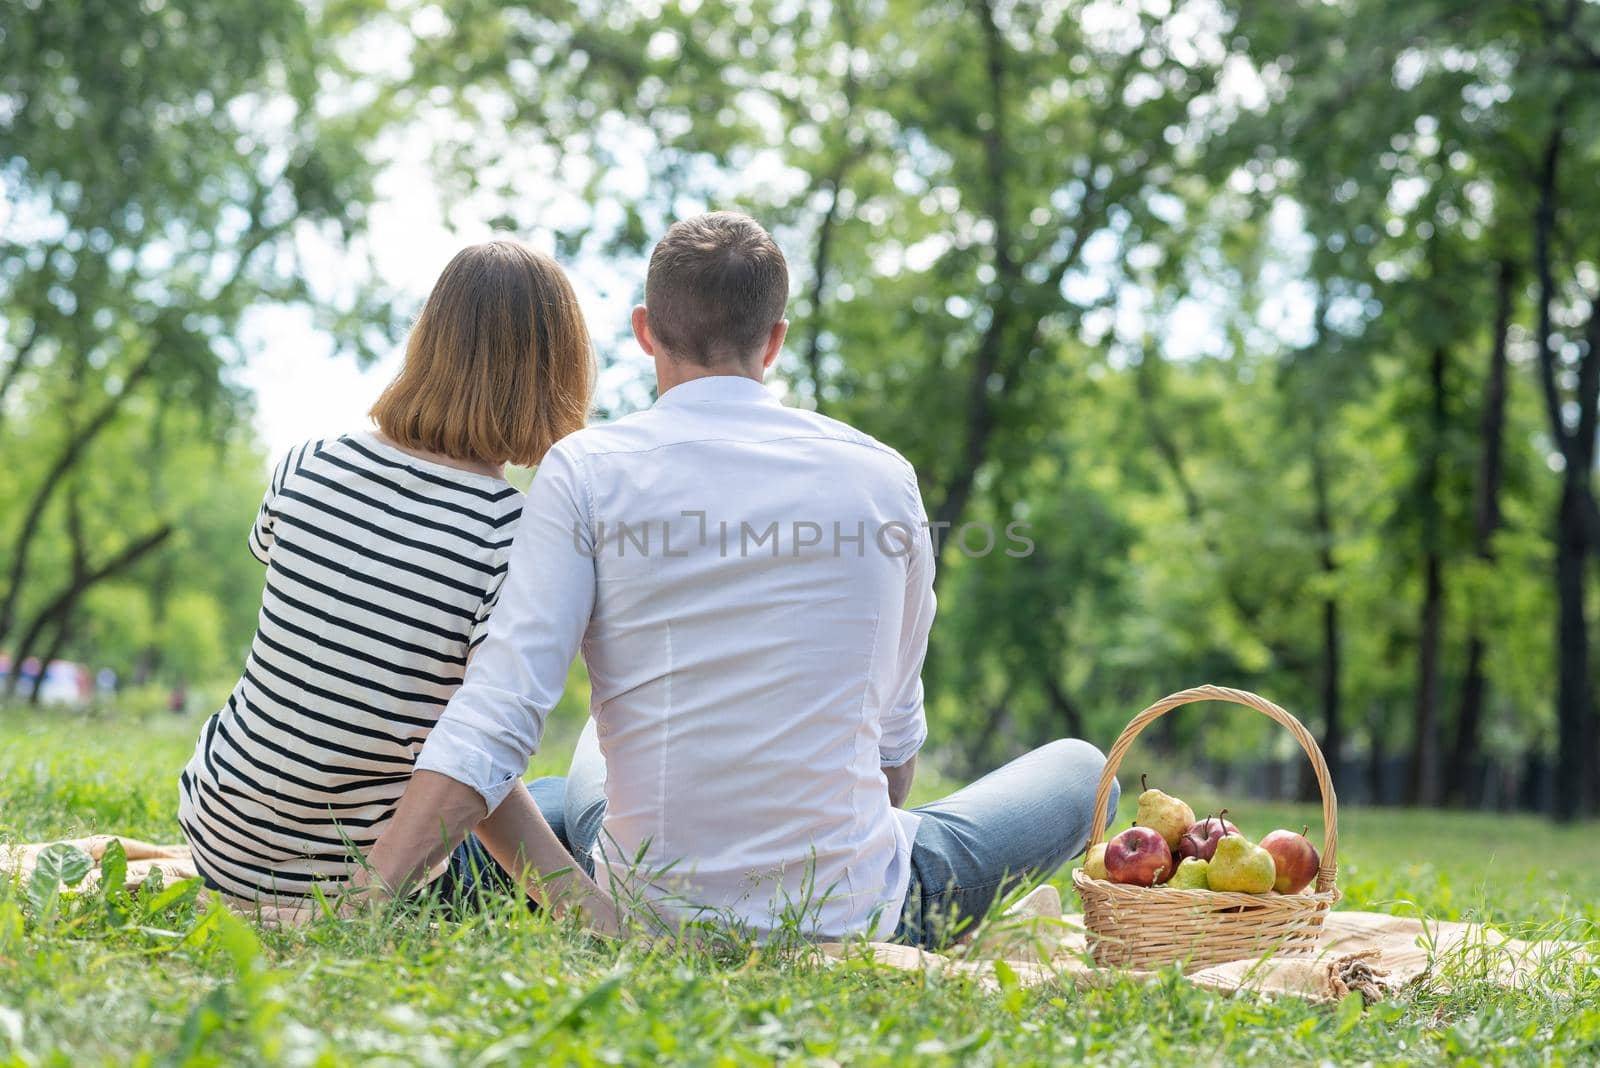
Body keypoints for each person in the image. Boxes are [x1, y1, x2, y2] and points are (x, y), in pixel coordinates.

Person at [346, 212, 1118, 946]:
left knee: (587, 755)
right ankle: (980, 924)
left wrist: (359, 908)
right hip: (852, 909)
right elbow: (893, 758)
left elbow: (495, 717)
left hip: (642, 896)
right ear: (774, 340)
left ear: (645, 329)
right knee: (1087, 770)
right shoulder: (885, 479)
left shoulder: (585, 469)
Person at [178, 240, 604, 913]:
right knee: (561, 804)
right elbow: (474, 760)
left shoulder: (304, 463)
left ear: (428, 342)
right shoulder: (508, 534)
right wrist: (586, 906)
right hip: (346, 878)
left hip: (219, 830)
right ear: (558, 371)